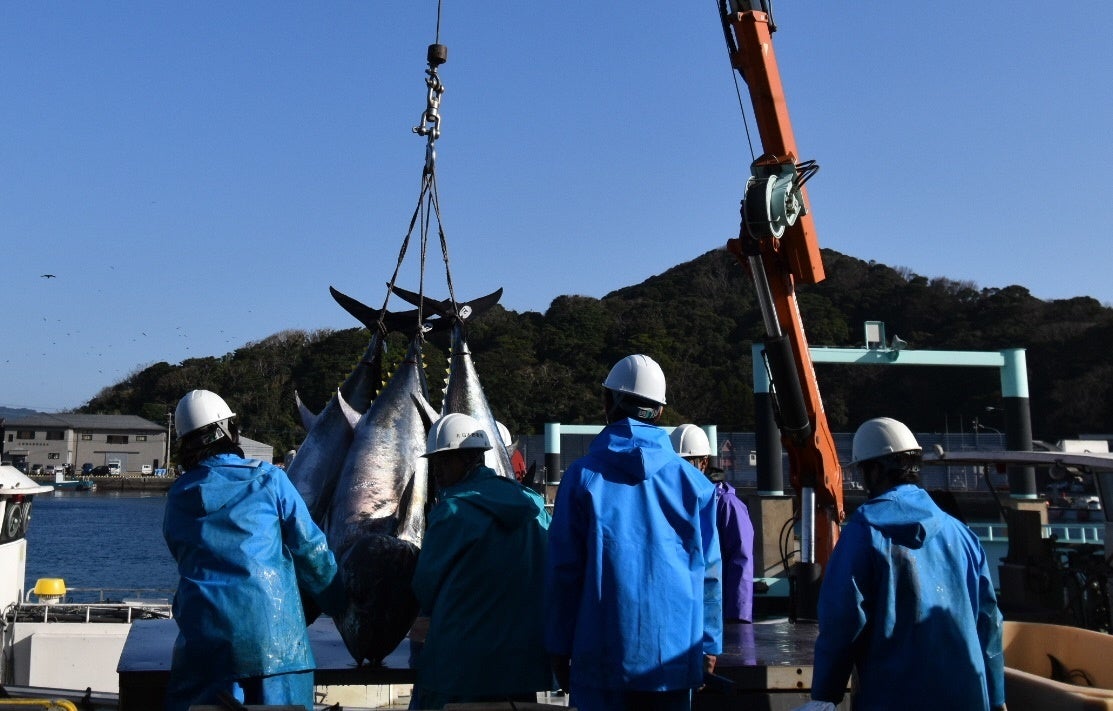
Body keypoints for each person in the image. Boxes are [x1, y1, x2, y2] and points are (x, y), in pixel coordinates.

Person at [544, 354, 723, 711]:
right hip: (672, 657)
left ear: (608, 403)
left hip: (600, 656)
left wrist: (558, 647)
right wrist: (709, 644)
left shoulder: (581, 478)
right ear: (659, 411)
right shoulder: (695, 483)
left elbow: (564, 572)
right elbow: (710, 573)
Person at [803, 417, 1006, 711]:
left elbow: (841, 622)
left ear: (873, 470)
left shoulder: (863, 534)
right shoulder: (962, 535)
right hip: (968, 696)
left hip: (893, 698)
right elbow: (989, 622)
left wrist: (825, 695)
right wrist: (997, 695)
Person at [163, 390, 346, 711]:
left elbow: (183, 555)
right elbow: (311, 552)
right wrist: (341, 605)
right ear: (227, 430)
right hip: (276, 648)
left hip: (203, 650)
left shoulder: (178, 496)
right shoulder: (269, 479)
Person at [410, 412, 552, 709]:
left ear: (467, 459)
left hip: (458, 670)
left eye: (442, 461)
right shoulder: (534, 505)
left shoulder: (451, 512)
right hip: (521, 669)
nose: (436, 472)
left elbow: (425, 588)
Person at [671, 424, 755, 623]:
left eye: (686, 461)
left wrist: (737, 617)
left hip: (716, 612)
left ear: (703, 462)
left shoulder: (727, 503)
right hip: (684, 611)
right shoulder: (675, 499)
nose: (680, 469)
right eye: (676, 462)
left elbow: (741, 559)